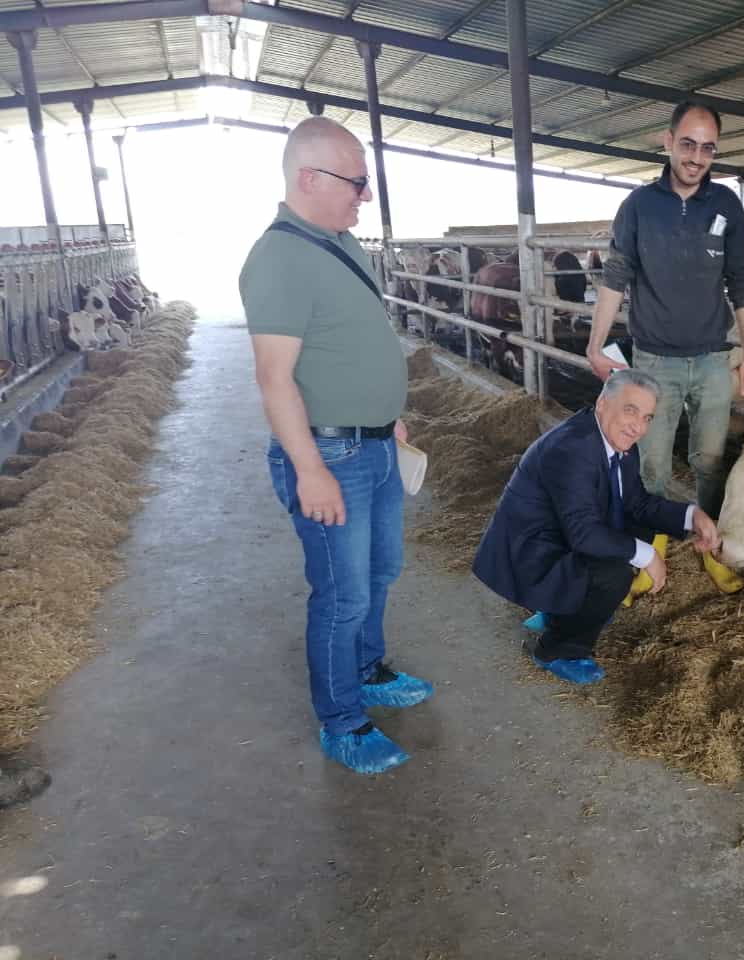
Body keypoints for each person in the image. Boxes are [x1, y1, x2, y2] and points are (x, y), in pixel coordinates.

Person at [240, 116, 432, 775]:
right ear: (309, 179)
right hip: (331, 461)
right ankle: (342, 722)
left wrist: (385, 419)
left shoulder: (340, 242)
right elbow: (274, 379)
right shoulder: (279, 259)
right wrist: (309, 470)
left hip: (373, 447)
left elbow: (346, 343)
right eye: (356, 182)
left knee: (381, 573)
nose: (364, 195)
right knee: (341, 595)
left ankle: (367, 667)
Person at [585, 101, 744, 593]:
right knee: (652, 466)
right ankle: (651, 552)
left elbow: (743, 282)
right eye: (688, 144)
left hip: (712, 358)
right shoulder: (640, 206)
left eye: (708, 148)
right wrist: (595, 344)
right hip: (654, 361)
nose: (697, 156)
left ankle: (712, 547)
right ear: (667, 142)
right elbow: (615, 277)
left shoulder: (726, 205)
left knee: (710, 460)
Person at [472, 369, 721, 684]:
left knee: (637, 530)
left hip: (557, 534)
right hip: (526, 553)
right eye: (631, 411)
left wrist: (692, 515)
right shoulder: (573, 448)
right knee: (612, 574)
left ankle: (561, 608)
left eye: (647, 417)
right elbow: (584, 534)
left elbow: (637, 503)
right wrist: (647, 556)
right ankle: (556, 649)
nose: (639, 426)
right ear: (602, 403)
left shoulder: (614, 439)